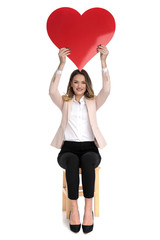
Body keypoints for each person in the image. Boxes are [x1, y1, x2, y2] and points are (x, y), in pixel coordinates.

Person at [49, 45, 110, 233]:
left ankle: (88, 210)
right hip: (67, 149)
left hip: (90, 148)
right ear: (71, 84)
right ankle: (74, 209)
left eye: (83, 82)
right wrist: (61, 64)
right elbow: (52, 91)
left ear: (87, 85)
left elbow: (106, 90)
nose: (79, 85)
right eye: (76, 82)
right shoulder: (65, 102)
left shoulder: (92, 102)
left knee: (89, 160)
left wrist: (103, 62)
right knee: (73, 161)